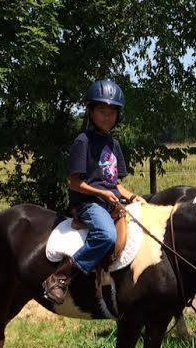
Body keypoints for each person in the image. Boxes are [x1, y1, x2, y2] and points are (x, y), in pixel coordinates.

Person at [43, 79, 145, 304]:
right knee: (107, 236)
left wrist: (131, 196)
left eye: (112, 112)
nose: (107, 117)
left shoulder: (113, 143)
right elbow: (73, 183)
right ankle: (60, 277)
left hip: (109, 200)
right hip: (88, 203)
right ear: (90, 112)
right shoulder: (83, 141)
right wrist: (101, 194)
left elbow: (114, 183)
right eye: (102, 111)